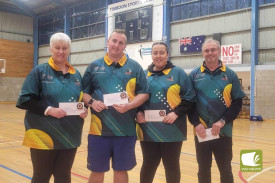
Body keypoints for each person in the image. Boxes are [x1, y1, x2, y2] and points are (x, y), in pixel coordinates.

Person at [16, 32, 87, 183]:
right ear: (51, 49)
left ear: (69, 50)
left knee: (63, 176)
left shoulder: (76, 75)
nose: (61, 51)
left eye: (65, 48)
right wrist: (49, 110)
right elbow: (24, 100)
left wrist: (83, 110)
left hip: (70, 135)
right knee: (42, 176)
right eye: (57, 48)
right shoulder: (39, 72)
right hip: (42, 134)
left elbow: (81, 100)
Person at [82, 29, 149, 183]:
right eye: (114, 41)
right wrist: (92, 102)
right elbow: (84, 93)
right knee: (97, 170)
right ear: (108, 42)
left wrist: (129, 106)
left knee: (121, 170)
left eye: (121, 43)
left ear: (125, 46)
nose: (117, 45)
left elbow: (144, 93)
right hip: (98, 131)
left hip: (125, 131)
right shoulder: (94, 66)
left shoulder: (135, 67)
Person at [136, 42, 196, 183]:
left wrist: (176, 113)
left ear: (167, 54)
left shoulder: (179, 73)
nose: (158, 56)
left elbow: (190, 98)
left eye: (161, 52)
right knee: (149, 164)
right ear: (151, 55)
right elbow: (136, 98)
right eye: (155, 53)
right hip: (148, 129)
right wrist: (138, 112)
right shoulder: (144, 75)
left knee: (171, 165)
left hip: (173, 130)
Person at [188, 39, 245, 183]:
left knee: (225, 168)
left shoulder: (230, 74)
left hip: (223, 131)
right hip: (201, 132)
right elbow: (189, 103)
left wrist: (222, 121)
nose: (210, 53)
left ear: (219, 51)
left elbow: (237, 102)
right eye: (206, 50)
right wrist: (196, 123)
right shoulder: (194, 75)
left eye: (213, 50)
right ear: (202, 53)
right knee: (203, 169)